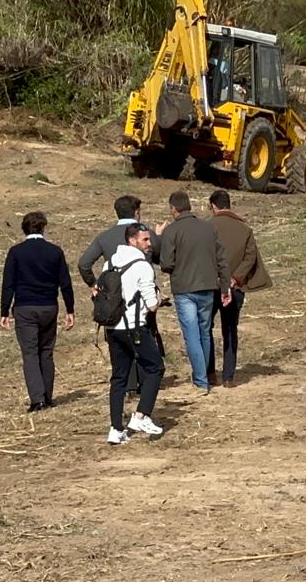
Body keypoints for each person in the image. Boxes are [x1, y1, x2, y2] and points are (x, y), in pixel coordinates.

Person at [79, 195, 163, 393]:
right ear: (137, 213)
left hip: (114, 296)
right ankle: (146, 380)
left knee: (118, 338)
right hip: (142, 294)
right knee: (144, 334)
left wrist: (94, 284)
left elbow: (84, 263)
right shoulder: (147, 234)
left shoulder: (104, 237)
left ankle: (128, 383)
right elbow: (161, 258)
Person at [0, 211, 75, 412]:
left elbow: (8, 284)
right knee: (47, 352)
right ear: (43, 228)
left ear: (24, 229)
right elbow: (65, 283)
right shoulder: (55, 252)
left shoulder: (16, 252)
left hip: (25, 307)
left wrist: (4, 311)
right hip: (49, 306)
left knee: (30, 353)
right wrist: (70, 309)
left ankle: (37, 398)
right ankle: (48, 396)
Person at [159, 190, 230, 395]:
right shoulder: (209, 228)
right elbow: (221, 259)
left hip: (184, 289)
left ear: (174, 209)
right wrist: (224, 286)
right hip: (208, 287)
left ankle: (201, 381)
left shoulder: (172, 231)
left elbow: (166, 263)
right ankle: (206, 375)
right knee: (205, 332)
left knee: (192, 335)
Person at [105, 223, 165, 444]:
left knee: (119, 377)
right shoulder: (142, 266)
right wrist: (159, 299)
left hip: (113, 328)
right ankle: (141, 415)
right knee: (156, 367)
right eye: (145, 240)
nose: (149, 244)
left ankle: (115, 428)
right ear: (132, 240)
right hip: (134, 326)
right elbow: (151, 305)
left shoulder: (109, 262)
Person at [207, 190, 272, 388]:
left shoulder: (207, 227)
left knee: (205, 329)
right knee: (229, 329)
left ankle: (209, 374)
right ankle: (228, 376)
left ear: (213, 206)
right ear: (229, 204)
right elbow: (250, 257)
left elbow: (205, 256)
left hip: (211, 286)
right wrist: (235, 279)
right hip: (235, 288)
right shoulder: (245, 229)